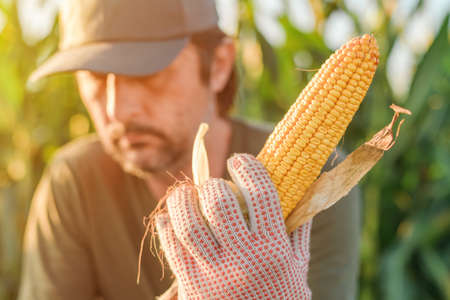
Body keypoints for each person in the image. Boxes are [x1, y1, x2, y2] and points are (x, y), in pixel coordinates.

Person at [18, 0, 361, 299]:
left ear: (219, 65)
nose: (118, 110)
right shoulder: (75, 182)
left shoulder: (319, 179)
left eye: (146, 72)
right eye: (94, 76)